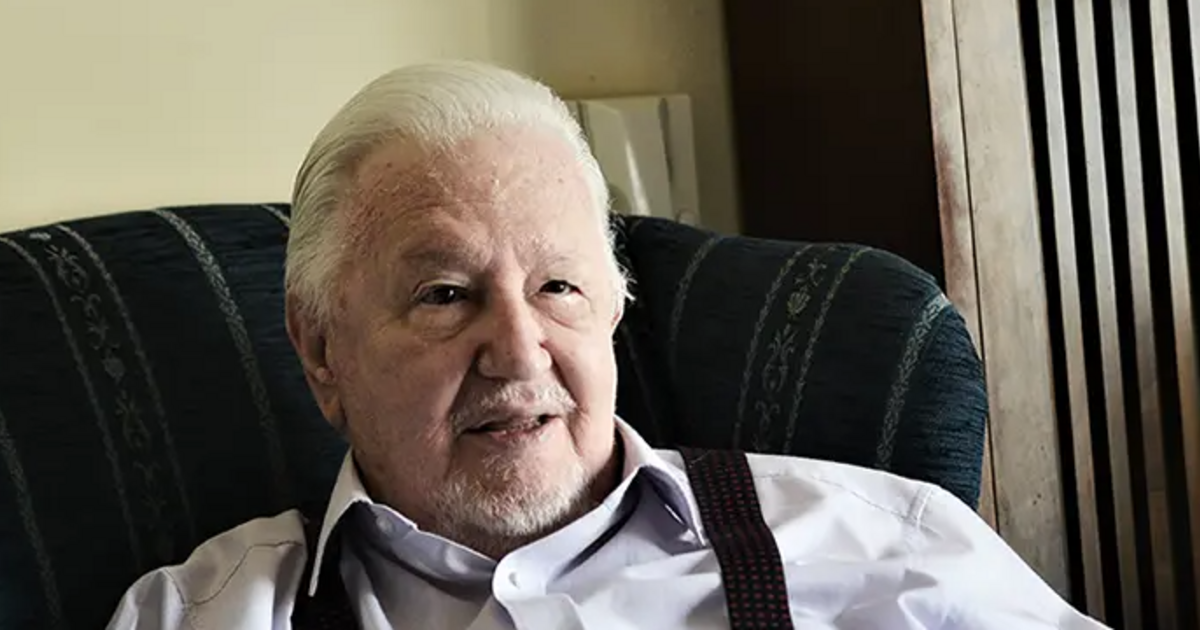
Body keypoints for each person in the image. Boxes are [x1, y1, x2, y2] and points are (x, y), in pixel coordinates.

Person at [107, 61, 1105, 629]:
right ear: (321, 350)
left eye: (559, 287)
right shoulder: (198, 615)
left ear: (616, 308)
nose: (519, 351)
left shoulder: (889, 551)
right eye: (446, 296)